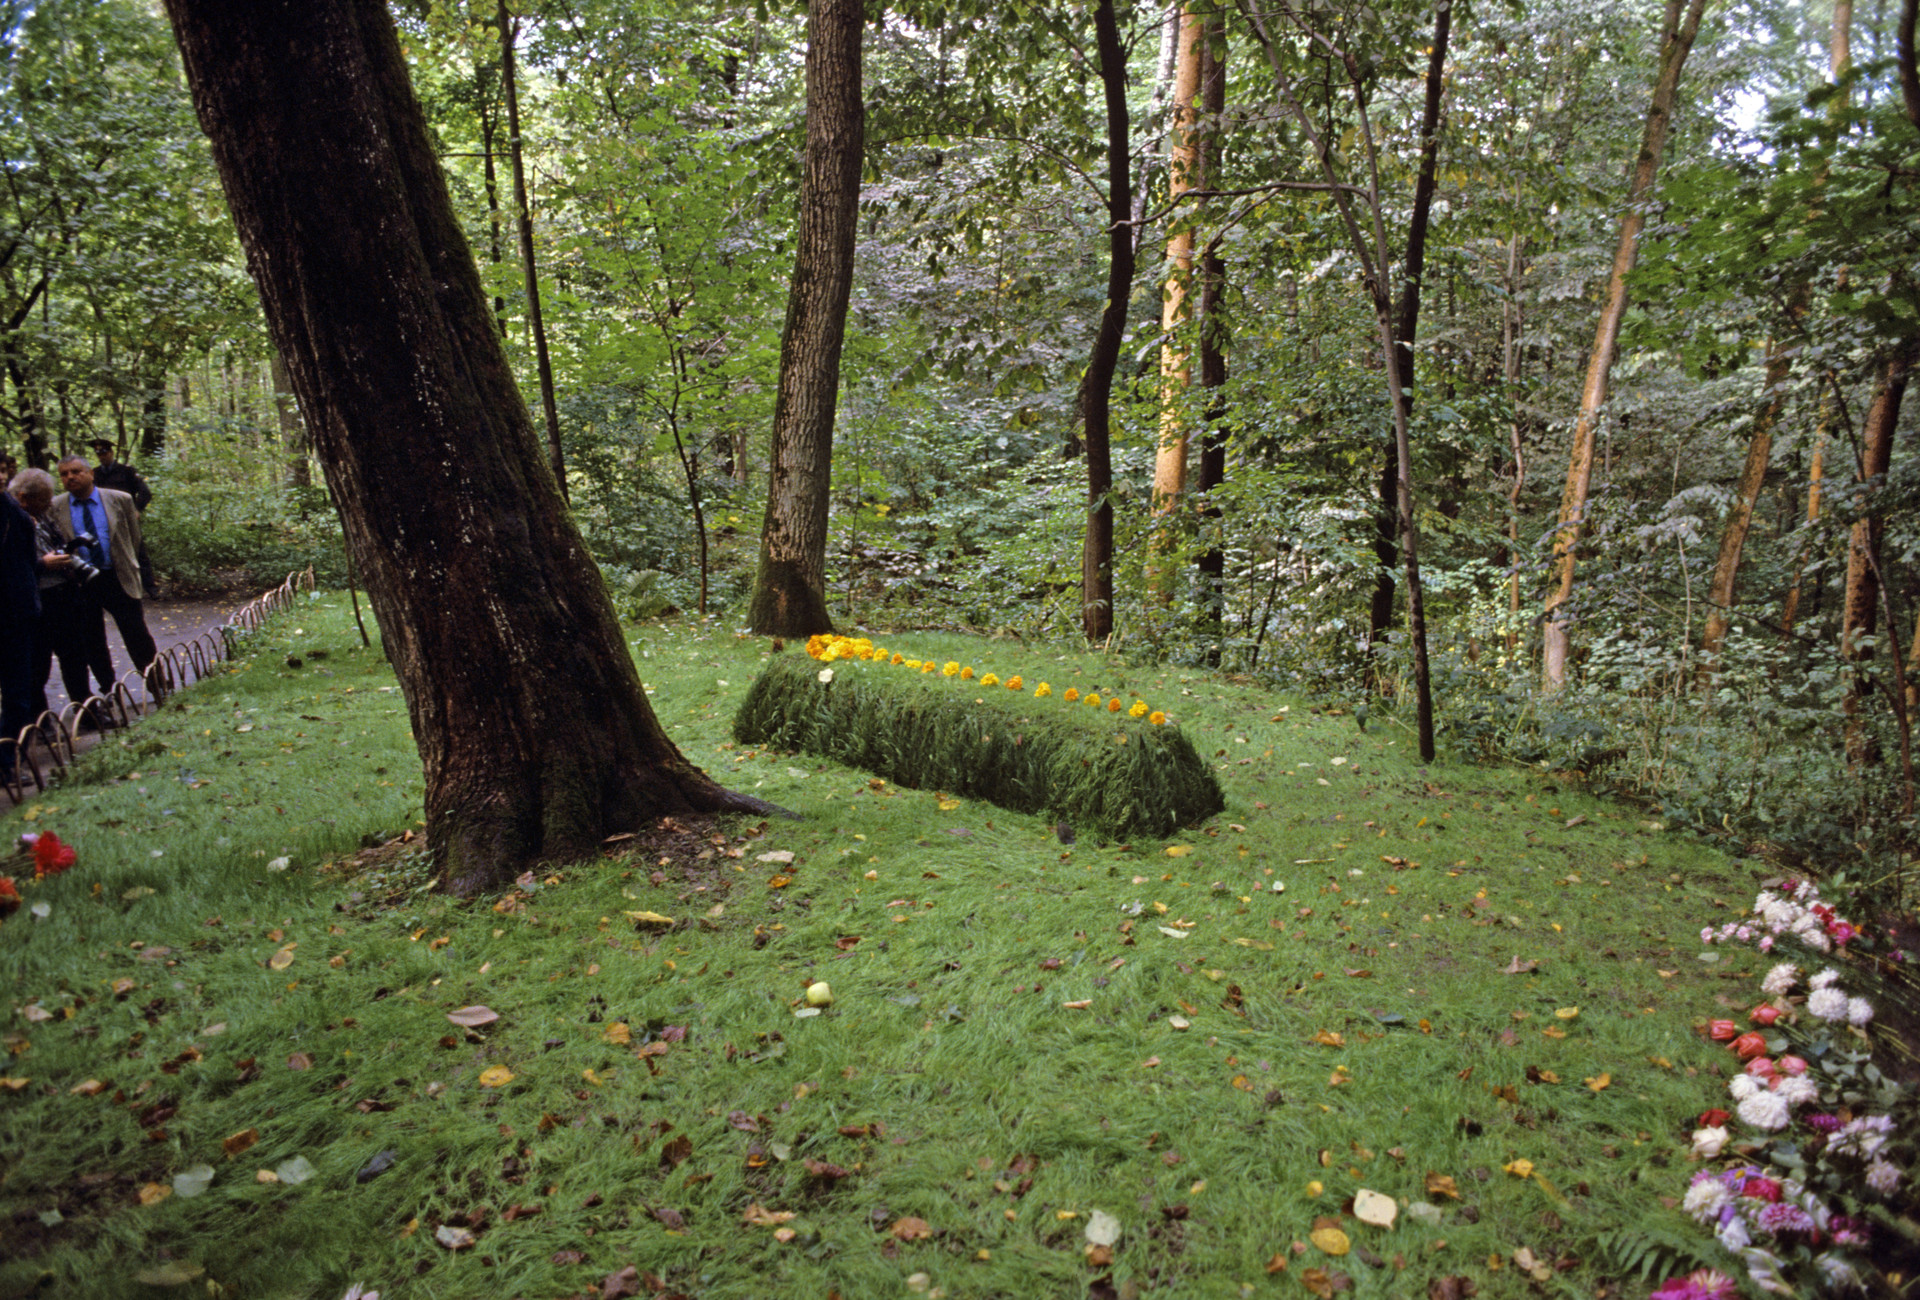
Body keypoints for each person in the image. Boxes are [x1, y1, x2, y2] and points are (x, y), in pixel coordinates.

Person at [52, 454, 157, 683]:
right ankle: (107, 689)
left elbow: (133, 538)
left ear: (91, 474)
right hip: (82, 581)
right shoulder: (56, 506)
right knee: (91, 639)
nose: (70, 477)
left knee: (136, 633)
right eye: (64, 474)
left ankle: (156, 682)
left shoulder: (120, 500)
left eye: (76, 471)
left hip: (117, 576)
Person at [10, 468, 101, 721]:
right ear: (23, 497)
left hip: (63, 596)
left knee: (75, 656)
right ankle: (38, 720)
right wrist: (42, 565)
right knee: (37, 665)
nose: (50, 504)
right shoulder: (10, 520)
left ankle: (87, 711)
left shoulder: (44, 517)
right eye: (44, 499)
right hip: (34, 601)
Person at [0, 473, 39, 766]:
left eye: (2, 468)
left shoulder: (14, 511)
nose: (1, 475)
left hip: (15, 612)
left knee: (17, 692)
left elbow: (26, 560)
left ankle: (8, 761)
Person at [90, 436, 155, 596]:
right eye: (99, 454)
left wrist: (137, 509)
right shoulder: (95, 474)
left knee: (138, 551)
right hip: (104, 520)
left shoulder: (127, 471)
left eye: (104, 453)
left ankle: (150, 588)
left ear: (111, 453)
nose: (102, 456)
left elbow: (145, 492)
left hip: (126, 519)